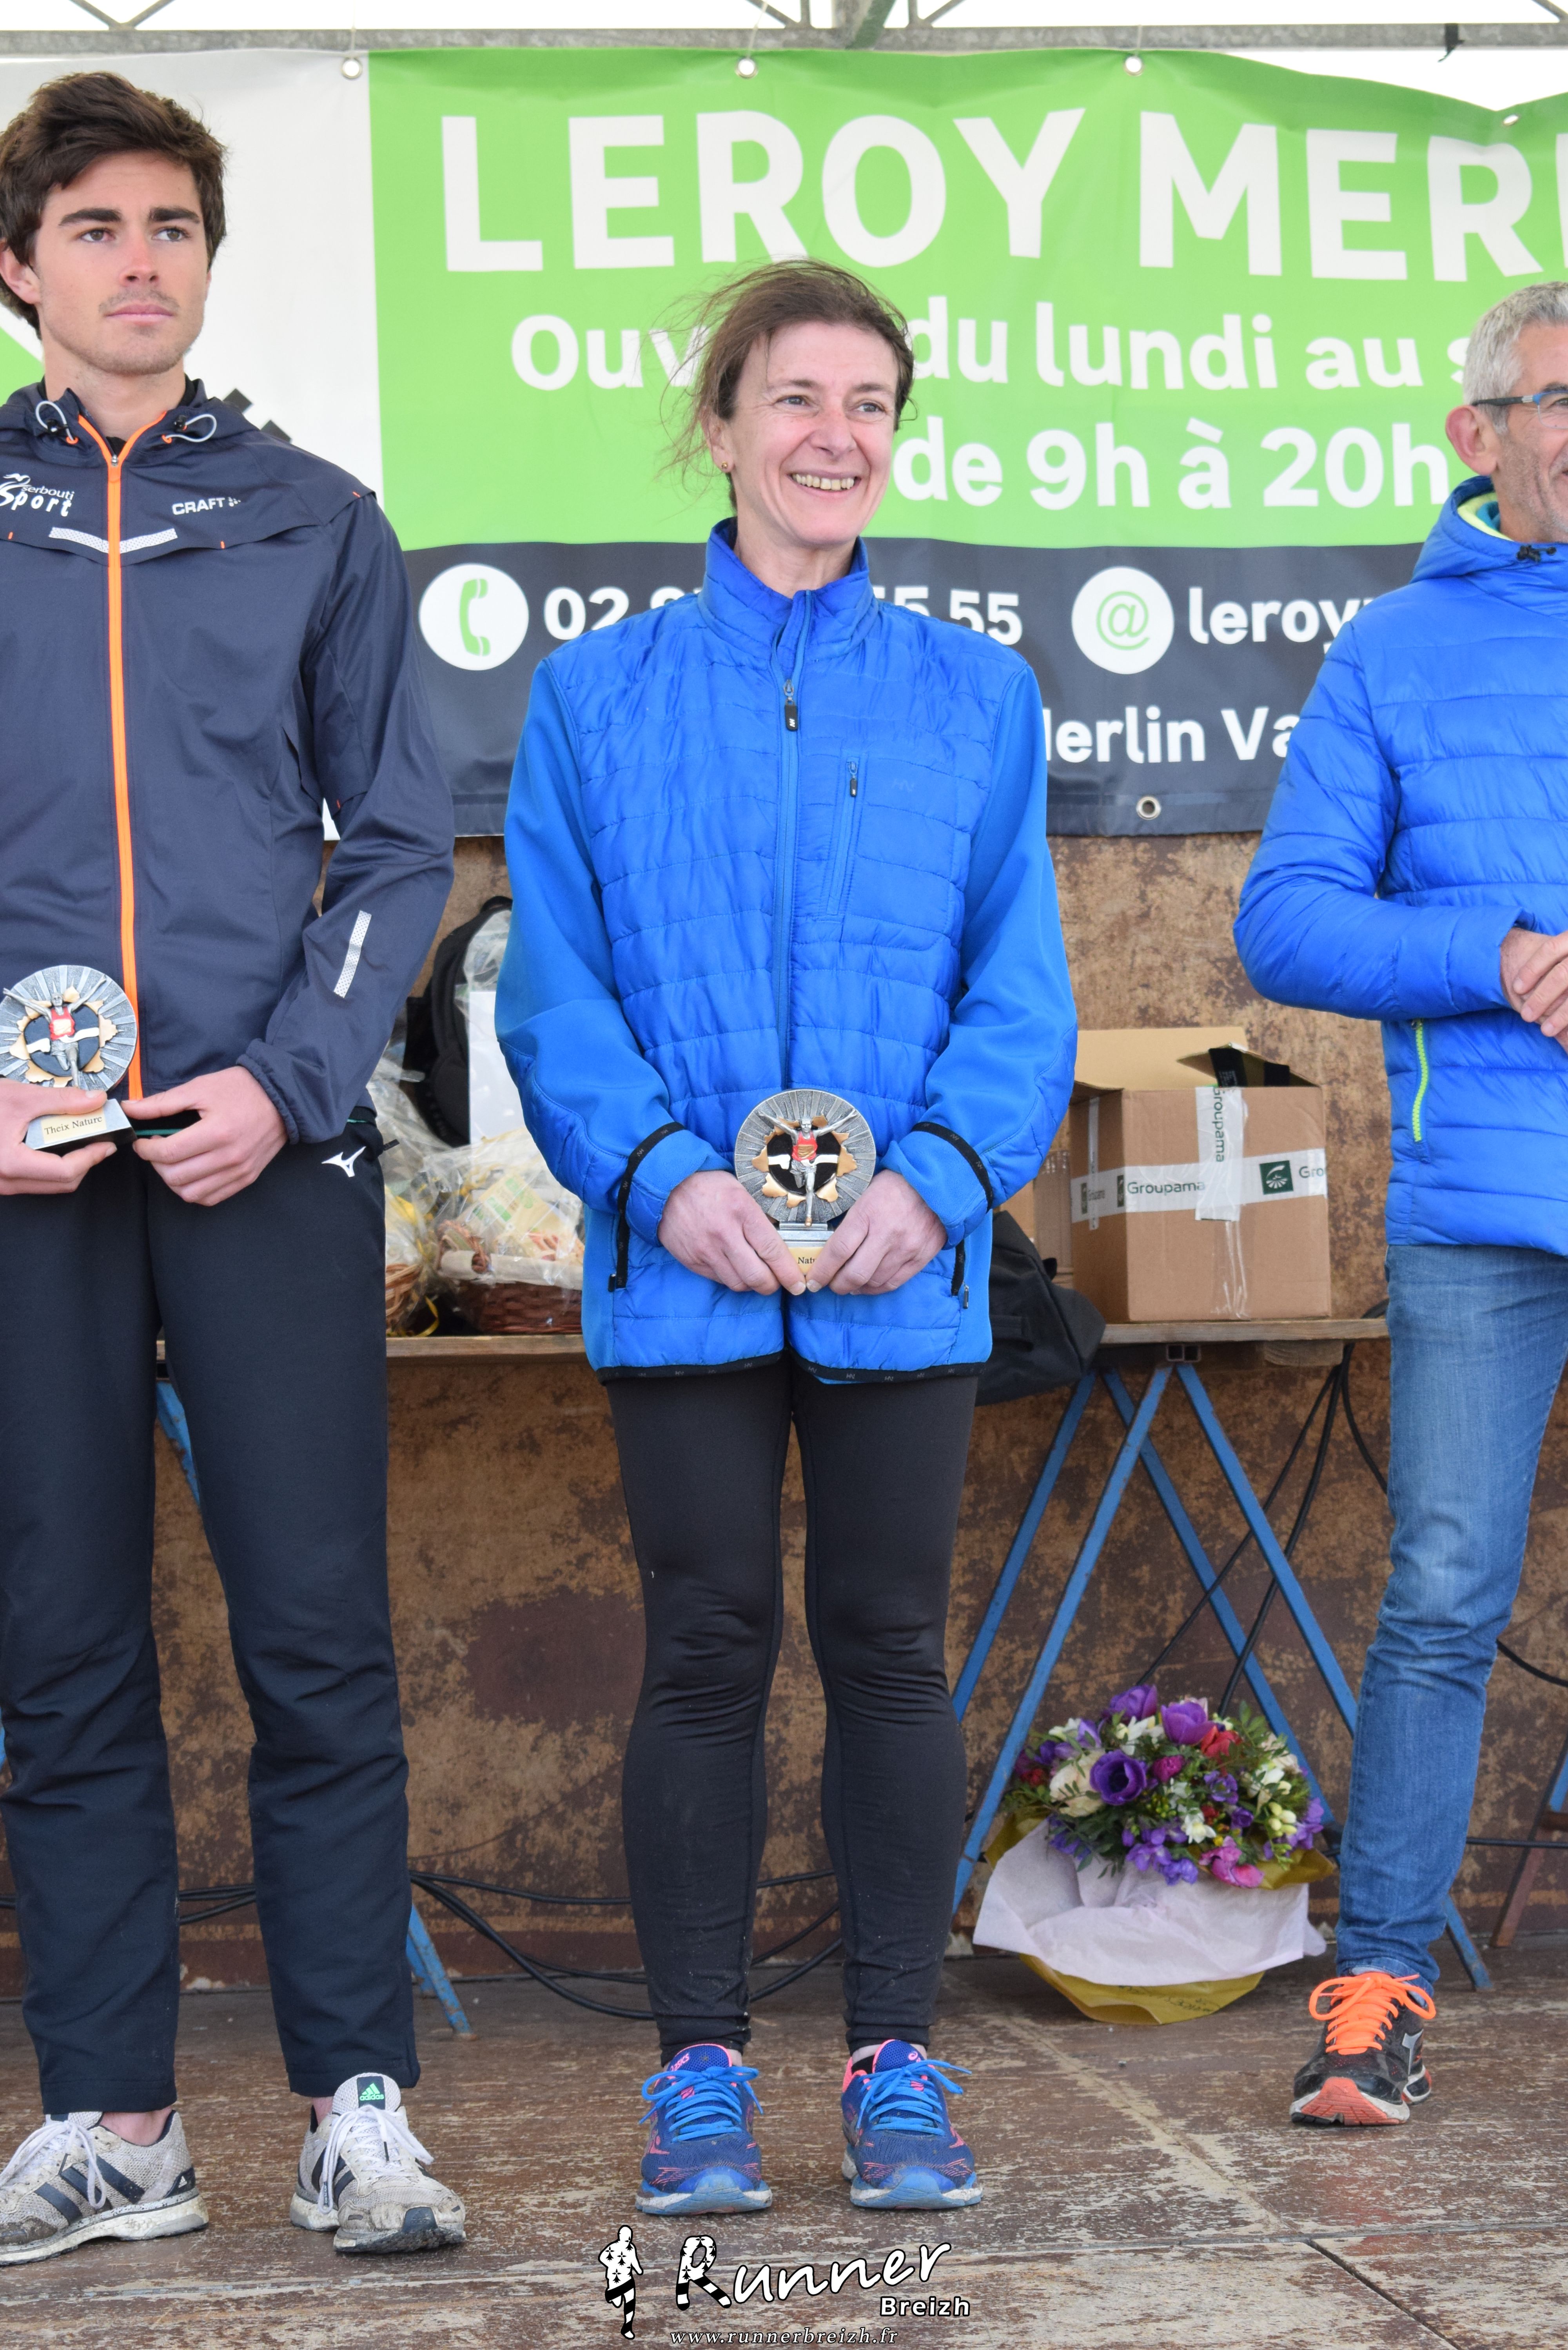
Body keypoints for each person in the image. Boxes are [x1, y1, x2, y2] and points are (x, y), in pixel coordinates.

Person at [499, 258, 1076, 2212]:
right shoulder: (595, 695)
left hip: (903, 1264)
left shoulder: (977, 695)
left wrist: (943, 1176)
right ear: (722, 422)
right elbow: (554, 989)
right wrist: (664, 1176)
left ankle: (896, 2058)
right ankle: (699, 2073)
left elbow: (1019, 987)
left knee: (891, 1644)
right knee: (706, 1643)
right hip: (685, 1259)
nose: (838, 436)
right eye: (799, 397)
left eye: (872, 404)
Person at [0, 72, 463, 2256]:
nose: (141, 258)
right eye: (96, 224)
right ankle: (117, 2122)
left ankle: (358, 2105)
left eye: (172, 224)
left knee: (315, 1629)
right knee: (61, 1641)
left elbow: (396, 842)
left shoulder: (314, 516)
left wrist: (287, 1081)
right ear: (21, 264)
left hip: (262, 1148)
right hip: (24, 1164)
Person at [1235, 279, 1568, 2127]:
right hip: (1484, 1211)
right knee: (1442, 1594)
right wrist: (1492, 952)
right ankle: (1373, 1993)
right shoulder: (1391, 650)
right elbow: (1282, 921)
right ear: (1478, 433)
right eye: (1559, 398)